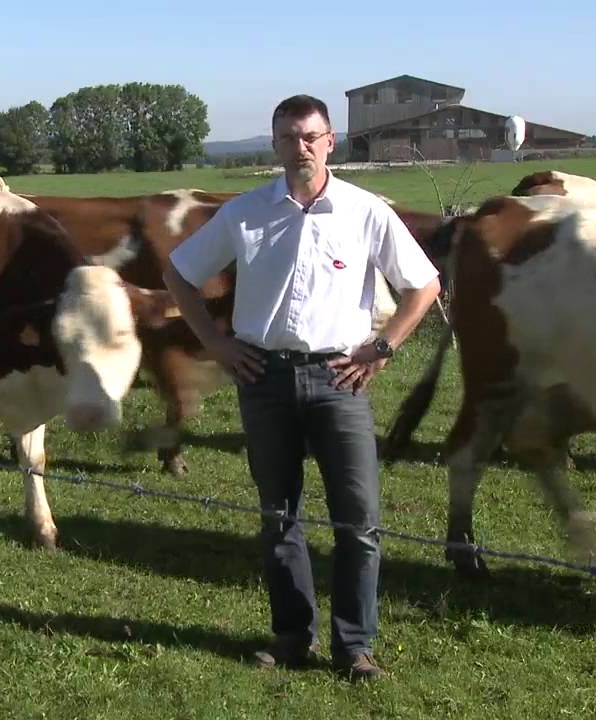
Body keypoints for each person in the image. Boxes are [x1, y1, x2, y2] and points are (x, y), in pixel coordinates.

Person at [162, 94, 441, 681]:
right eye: (289, 138)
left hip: (340, 378)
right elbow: (180, 272)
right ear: (275, 144)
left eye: (311, 137)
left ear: (331, 141)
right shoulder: (245, 212)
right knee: (279, 514)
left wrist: (383, 346)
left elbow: (423, 285)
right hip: (263, 377)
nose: (301, 148)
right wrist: (217, 344)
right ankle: (292, 635)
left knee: (358, 519)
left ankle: (355, 646)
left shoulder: (366, 212)